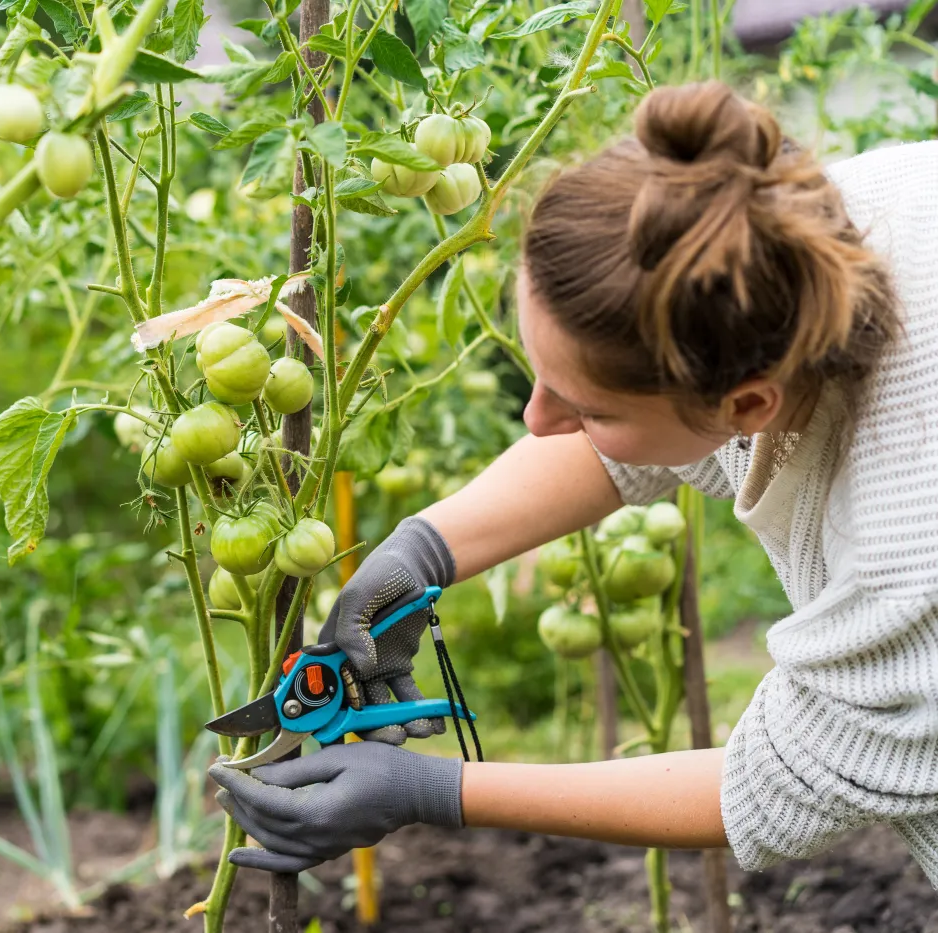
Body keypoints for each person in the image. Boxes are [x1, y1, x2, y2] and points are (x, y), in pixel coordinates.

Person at [209, 80, 938, 886]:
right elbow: (630, 439)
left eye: (584, 406)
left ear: (748, 402)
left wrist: (433, 790)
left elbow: (788, 775)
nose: (534, 417)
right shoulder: (777, 231)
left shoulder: (910, 536)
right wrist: (422, 550)